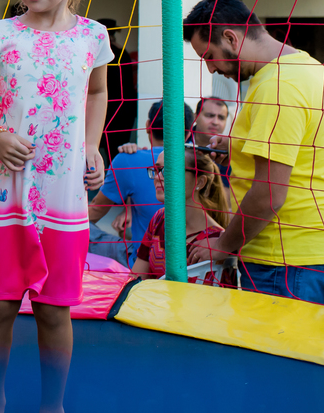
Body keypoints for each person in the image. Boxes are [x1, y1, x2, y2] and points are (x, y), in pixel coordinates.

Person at [0, 0, 111, 413]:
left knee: (54, 311)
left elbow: (96, 92)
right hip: (6, 196)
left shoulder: (92, 37)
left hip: (63, 198)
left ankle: (53, 406)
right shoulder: (0, 33)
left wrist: (91, 147)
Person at [183, 0, 324, 306]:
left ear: (231, 37)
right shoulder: (309, 69)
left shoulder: (277, 87)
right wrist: (239, 147)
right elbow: (305, 151)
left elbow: (269, 196)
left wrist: (223, 245)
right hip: (314, 253)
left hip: (286, 259)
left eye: (209, 56)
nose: (211, 70)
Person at [88, 101, 194, 267]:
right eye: (157, 171)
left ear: (148, 126)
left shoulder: (128, 160)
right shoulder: (200, 164)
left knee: (79, 229)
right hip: (190, 262)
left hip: (144, 261)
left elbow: (96, 210)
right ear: (188, 134)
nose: (159, 177)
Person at [132, 148, 229, 281]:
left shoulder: (217, 242)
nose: (157, 177)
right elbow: (136, 279)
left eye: (169, 170)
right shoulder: (160, 218)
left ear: (200, 182)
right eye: (157, 170)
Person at [98, 19, 137, 164]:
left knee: (107, 149)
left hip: (111, 108)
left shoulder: (107, 53)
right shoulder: (121, 52)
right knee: (115, 151)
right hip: (123, 109)